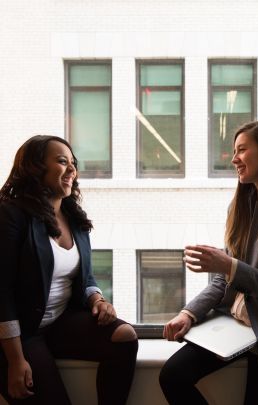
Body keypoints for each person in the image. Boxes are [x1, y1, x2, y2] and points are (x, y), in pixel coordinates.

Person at [159, 120, 258, 405]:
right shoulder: (241, 205)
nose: (234, 159)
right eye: (234, 151)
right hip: (237, 325)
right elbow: (224, 279)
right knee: (172, 375)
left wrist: (229, 266)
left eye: (242, 150)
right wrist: (188, 314)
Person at [0, 135, 138, 405]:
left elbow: (84, 276)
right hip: (20, 334)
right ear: (35, 167)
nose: (72, 169)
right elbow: (0, 291)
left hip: (58, 322)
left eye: (73, 163)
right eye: (62, 162)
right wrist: (16, 360)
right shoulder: (11, 215)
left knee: (125, 336)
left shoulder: (73, 217)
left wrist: (97, 298)